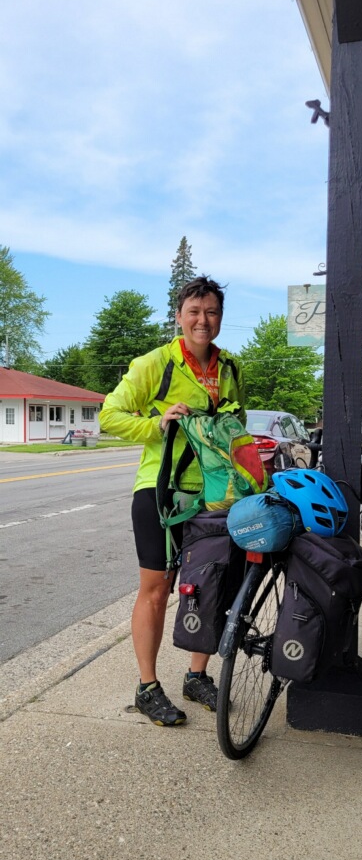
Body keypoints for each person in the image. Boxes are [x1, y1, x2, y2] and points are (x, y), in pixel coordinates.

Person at [99, 276, 246, 726]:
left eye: (212, 312)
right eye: (195, 312)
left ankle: (196, 676)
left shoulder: (231, 368)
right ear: (179, 316)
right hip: (161, 492)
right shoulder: (154, 364)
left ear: (220, 317)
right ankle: (147, 686)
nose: (204, 321)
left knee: (210, 582)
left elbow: (234, 425)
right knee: (157, 588)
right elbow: (110, 414)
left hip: (216, 495)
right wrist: (158, 424)